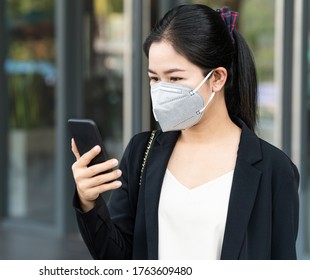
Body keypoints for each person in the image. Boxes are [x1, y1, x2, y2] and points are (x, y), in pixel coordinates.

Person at [71, 4, 299, 260]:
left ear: (217, 78)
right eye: (154, 79)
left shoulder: (274, 170)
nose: (161, 91)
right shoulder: (141, 152)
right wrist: (88, 202)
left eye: (175, 78)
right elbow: (116, 258)